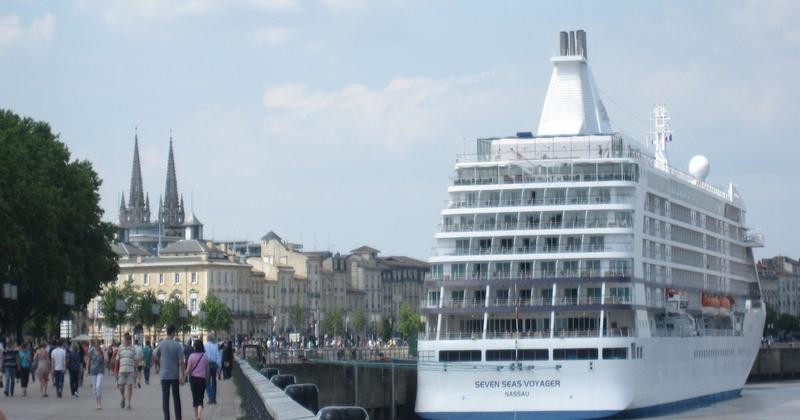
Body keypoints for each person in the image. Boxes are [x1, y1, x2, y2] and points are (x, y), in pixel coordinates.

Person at [154, 325, 185, 420]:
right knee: (176, 397)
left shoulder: (161, 344)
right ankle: (178, 418)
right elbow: (181, 361)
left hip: (164, 375)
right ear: (173, 332)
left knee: (165, 398)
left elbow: (154, 354)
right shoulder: (177, 345)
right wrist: (183, 375)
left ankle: (166, 418)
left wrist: (160, 363)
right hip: (174, 375)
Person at [186, 339, 208, 420]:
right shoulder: (205, 356)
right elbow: (207, 369)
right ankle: (199, 416)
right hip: (202, 379)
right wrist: (207, 379)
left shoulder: (191, 356)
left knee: (194, 398)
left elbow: (188, 369)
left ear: (195, 347)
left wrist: (183, 377)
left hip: (193, 379)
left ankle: (196, 417)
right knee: (200, 398)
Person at [115, 332, 137, 410]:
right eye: (127, 339)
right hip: (122, 370)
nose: (128, 340)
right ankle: (123, 398)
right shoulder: (120, 348)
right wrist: (115, 370)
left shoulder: (133, 348)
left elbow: (135, 360)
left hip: (130, 370)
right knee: (121, 387)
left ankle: (129, 404)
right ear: (124, 339)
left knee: (129, 387)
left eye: (129, 339)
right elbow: (117, 359)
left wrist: (136, 371)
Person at [86, 339, 108, 410]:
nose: (96, 346)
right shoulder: (91, 351)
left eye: (97, 345)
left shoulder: (102, 351)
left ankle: (99, 403)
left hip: (100, 370)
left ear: (99, 344)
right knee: (94, 388)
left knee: (98, 386)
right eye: (95, 345)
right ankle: (97, 403)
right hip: (93, 371)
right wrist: (87, 371)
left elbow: (106, 360)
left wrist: (104, 352)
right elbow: (88, 360)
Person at [203, 334, 221, 404]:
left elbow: (203, 356)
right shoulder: (215, 346)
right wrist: (219, 367)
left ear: (207, 339)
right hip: (214, 365)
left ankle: (211, 398)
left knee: (207, 382)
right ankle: (214, 398)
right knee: (214, 381)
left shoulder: (204, 346)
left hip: (207, 365)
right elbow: (218, 357)